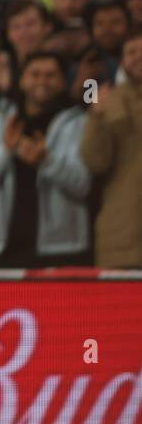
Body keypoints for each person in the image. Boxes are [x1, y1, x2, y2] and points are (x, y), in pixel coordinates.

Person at [0, 51, 92, 267]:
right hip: (6, 250)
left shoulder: (79, 123)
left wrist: (46, 161)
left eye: (51, 75)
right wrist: (6, 151)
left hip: (63, 250)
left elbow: (83, 185)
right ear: (22, 81)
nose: (42, 80)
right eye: (34, 74)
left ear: (63, 82)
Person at [80, 30, 142, 268]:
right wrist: (96, 118)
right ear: (122, 61)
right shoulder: (107, 100)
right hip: (123, 236)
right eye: (131, 52)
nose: (139, 57)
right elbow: (95, 162)